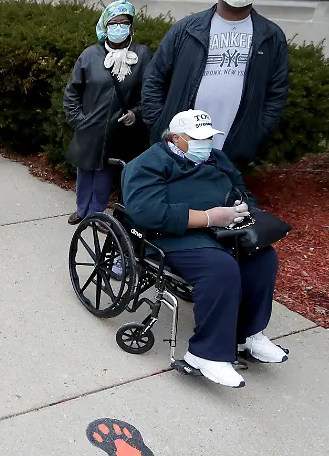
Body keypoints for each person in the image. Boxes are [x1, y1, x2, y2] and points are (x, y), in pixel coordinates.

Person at [121, 109, 288, 389]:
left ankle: (248, 335)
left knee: (263, 258)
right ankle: (205, 354)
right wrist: (209, 217)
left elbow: (241, 188)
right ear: (176, 138)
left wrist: (243, 207)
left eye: (209, 138)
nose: (206, 144)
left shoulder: (216, 158)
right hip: (172, 235)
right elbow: (147, 212)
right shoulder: (147, 164)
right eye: (198, 139)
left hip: (223, 229)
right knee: (220, 269)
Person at [141, 0, 290, 167]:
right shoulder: (187, 29)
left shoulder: (271, 36)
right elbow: (154, 77)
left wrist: (256, 132)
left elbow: (277, 91)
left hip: (232, 148)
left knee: (217, 188)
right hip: (180, 143)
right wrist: (159, 123)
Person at [63, 0, 153, 226]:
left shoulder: (142, 55)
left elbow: (150, 93)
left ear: (131, 26)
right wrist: (78, 120)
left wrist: (136, 113)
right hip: (89, 127)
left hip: (119, 130)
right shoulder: (90, 55)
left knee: (105, 173)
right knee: (85, 171)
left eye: (124, 23)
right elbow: (72, 91)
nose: (118, 27)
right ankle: (82, 210)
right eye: (113, 23)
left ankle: (97, 214)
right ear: (105, 25)